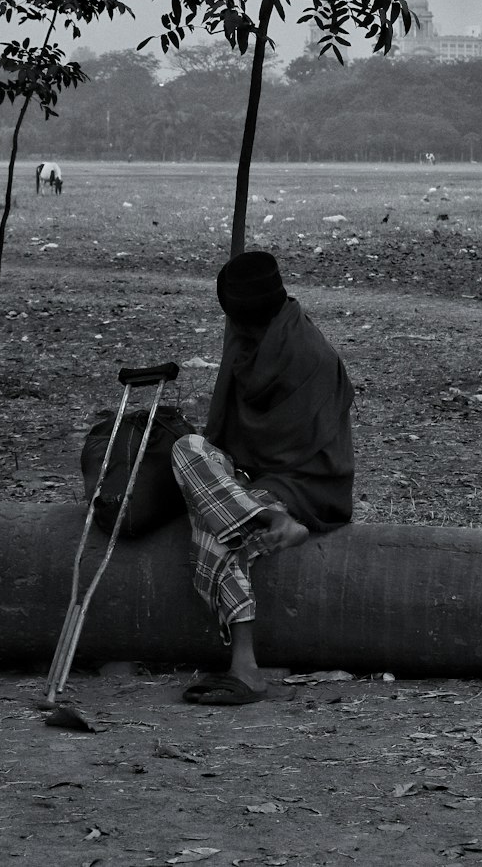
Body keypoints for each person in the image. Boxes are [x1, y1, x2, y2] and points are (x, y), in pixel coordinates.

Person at [171, 250, 355, 706]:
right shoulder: (245, 337)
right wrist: (236, 482)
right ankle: (263, 516)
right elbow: (222, 438)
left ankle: (245, 664)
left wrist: (245, 485)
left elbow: (314, 454)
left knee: (217, 523)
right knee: (186, 449)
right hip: (256, 490)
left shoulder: (311, 353)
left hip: (306, 484)